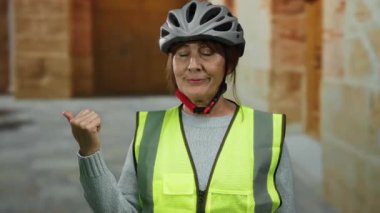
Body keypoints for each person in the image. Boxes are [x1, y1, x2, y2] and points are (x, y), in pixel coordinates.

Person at [63, 0, 295, 212]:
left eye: (207, 53)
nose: (193, 65)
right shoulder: (150, 131)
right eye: (183, 54)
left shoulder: (266, 133)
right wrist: (89, 152)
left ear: (229, 64)